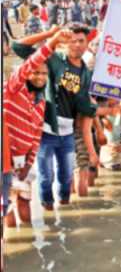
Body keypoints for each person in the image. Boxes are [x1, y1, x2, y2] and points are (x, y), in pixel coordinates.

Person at [12, 26, 114, 210]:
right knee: (46, 176)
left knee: (66, 177)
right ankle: (48, 209)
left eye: (80, 41)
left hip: (68, 135)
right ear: (65, 43)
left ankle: (65, 215)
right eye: (72, 40)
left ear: (86, 44)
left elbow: (85, 107)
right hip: (44, 132)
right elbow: (18, 47)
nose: (76, 45)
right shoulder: (53, 60)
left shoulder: (86, 74)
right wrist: (51, 35)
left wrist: (111, 112)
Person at [3, 28, 71, 226]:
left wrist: (28, 163)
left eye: (44, 74)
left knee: (25, 207)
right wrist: (52, 40)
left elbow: (35, 135)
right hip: (4, 161)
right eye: (36, 73)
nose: (40, 77)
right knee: (7, 213)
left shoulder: (40, 101)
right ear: (27, 73)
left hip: (22, 163)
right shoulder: (13, 89)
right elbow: (28, 61)